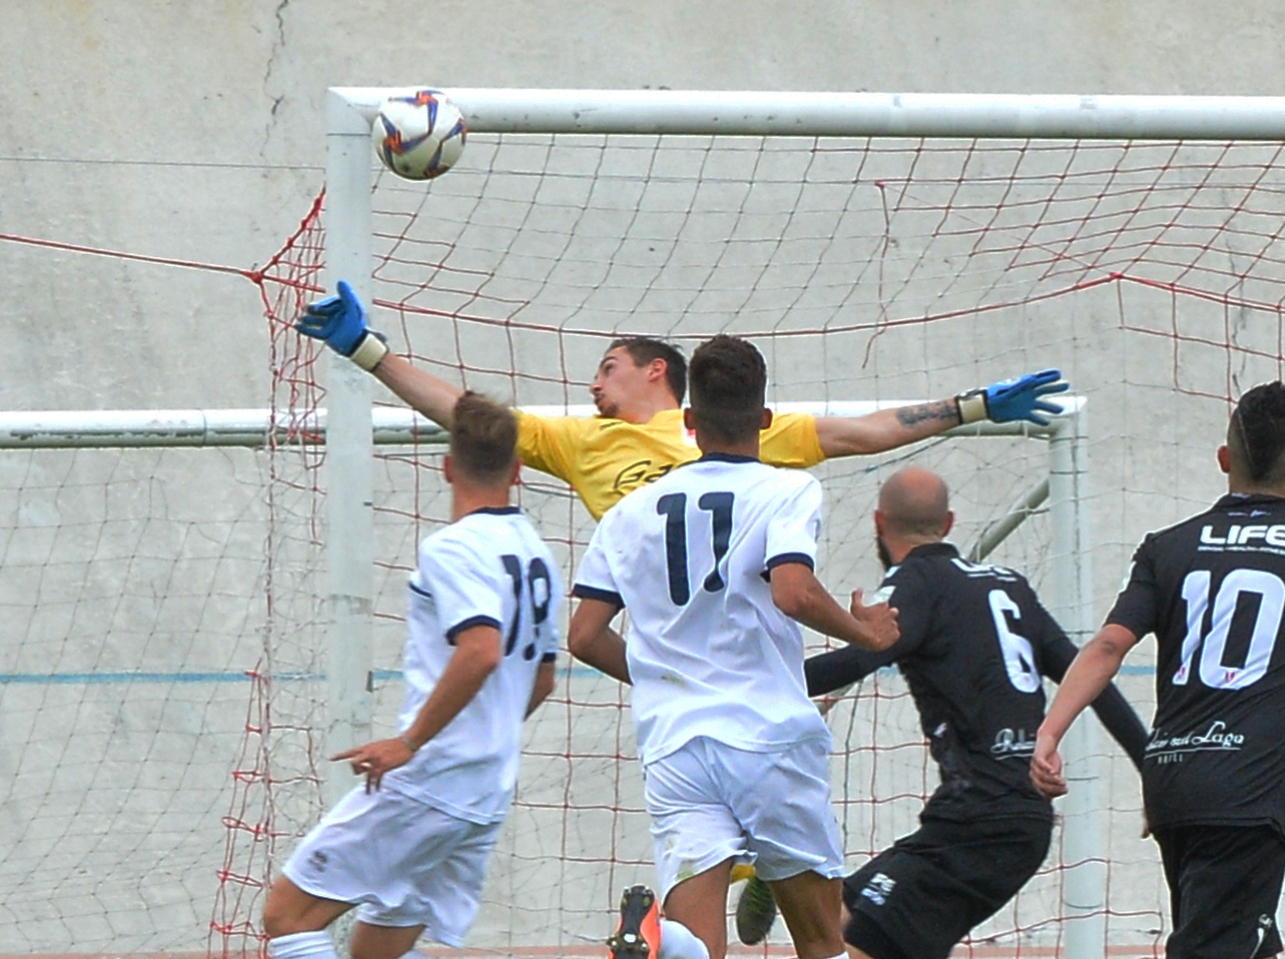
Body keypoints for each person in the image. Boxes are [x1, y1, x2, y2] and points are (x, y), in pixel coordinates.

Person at [566, 334, 901, 959]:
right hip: (768, 736)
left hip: (676, 746)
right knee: (823, 940)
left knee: (700, 941)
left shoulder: (628, 512)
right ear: (766, 420)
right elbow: (793, 592)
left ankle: (673, 946)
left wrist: (666, 677)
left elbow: (583, 636)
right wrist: (866, 632)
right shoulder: (787, 490)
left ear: (688, 423)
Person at [735, 466, 1149, 957]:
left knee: (854, 942)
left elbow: (858, 657)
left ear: (878, 523)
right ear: (949, 523)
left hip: (980, 824)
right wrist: (1152, 773)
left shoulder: (914, 584)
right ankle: (777, 869)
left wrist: (741, 687)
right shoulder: (1010, 585)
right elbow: (1092, 676)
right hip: (1005, 819)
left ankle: (777, 864)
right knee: (834, 923)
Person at [295, 280, 1069, 521]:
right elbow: (466, 413)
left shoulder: (730, 430)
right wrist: (370, 352)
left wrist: (967, 406)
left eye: (607, 367)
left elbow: (864, 432)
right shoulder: (575, 444)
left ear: (658, 373)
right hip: (669, 649)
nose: (591, 385)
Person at [261, 392, 562, 959]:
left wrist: (410, 742)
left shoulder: (453, 549)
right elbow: (540, 680)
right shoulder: (537, 554)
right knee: (378, 948)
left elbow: (481, 651)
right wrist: (481, 735)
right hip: (486, 787)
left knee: (288, 917)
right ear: (518, 472)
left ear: (447, 467)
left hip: (433, 782)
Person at [1033, 381, 1285, 959]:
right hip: (1251, 786)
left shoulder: (1168, 546)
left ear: (1224, 460)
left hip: (1176, 774)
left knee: (1248, 940)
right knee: (1216, 946)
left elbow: (1104, 648)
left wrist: (1049, 734)